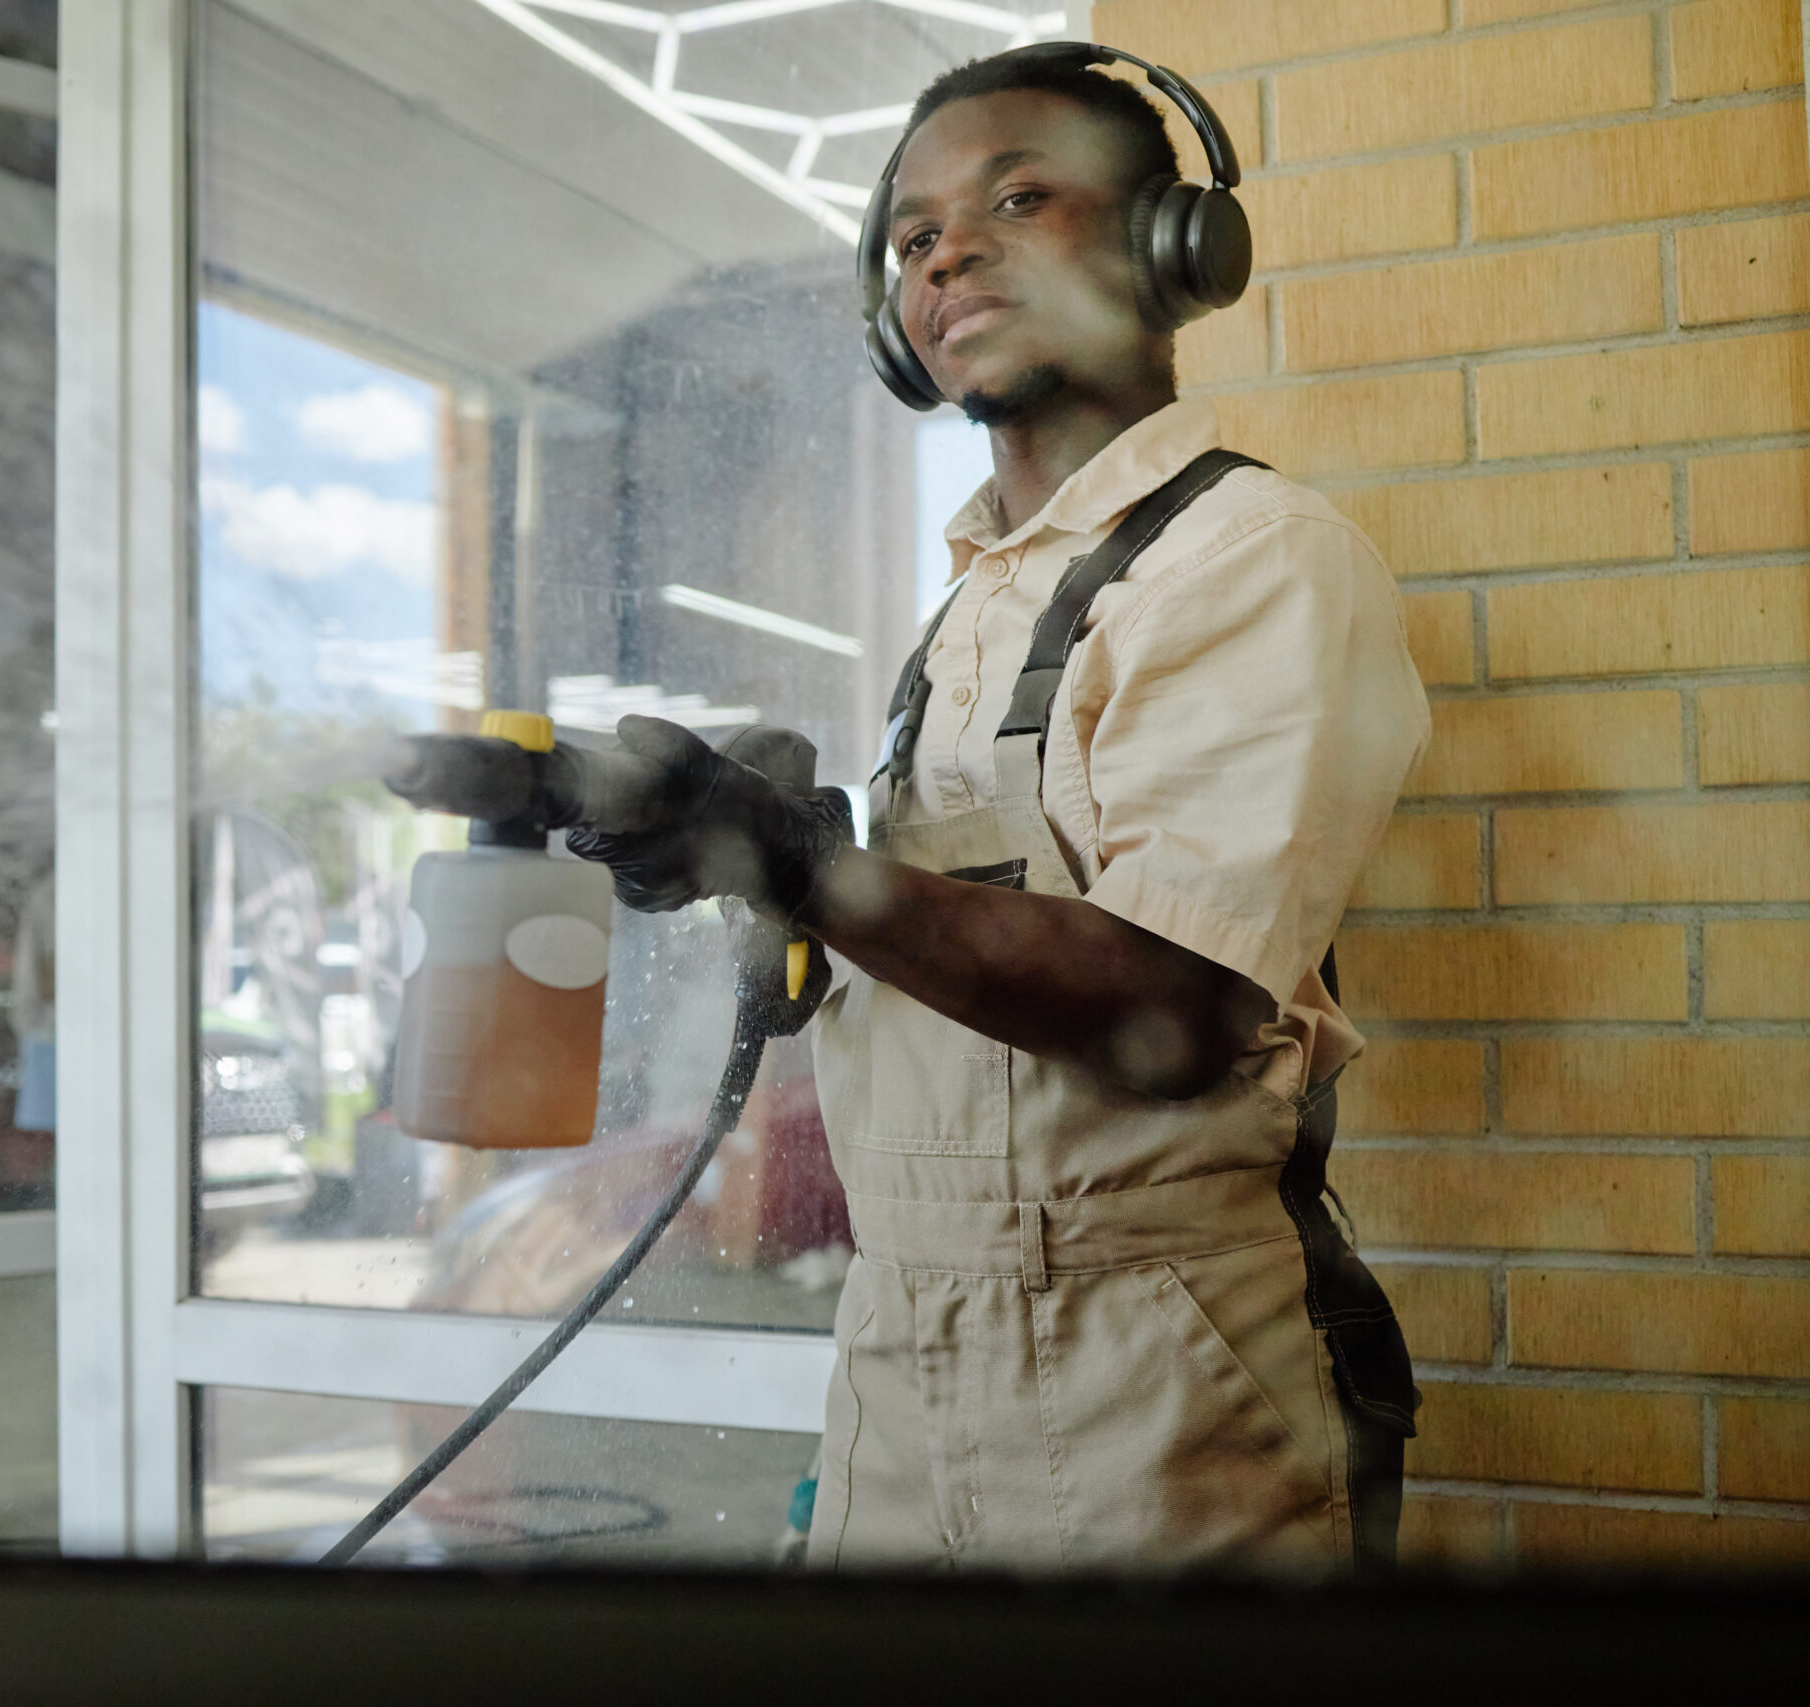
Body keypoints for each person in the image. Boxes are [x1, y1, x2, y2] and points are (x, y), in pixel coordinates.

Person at [567, 46, 1430, 1574]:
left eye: (1017, 198)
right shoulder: (967, 612)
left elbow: (1168, 999)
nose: (948, 252)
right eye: (911, 238)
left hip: (1149, 1376)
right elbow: (944, 968)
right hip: (903, 1354)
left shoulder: (1252, 560)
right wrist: (734, 843)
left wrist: (804, 865)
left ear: (1175, 249)